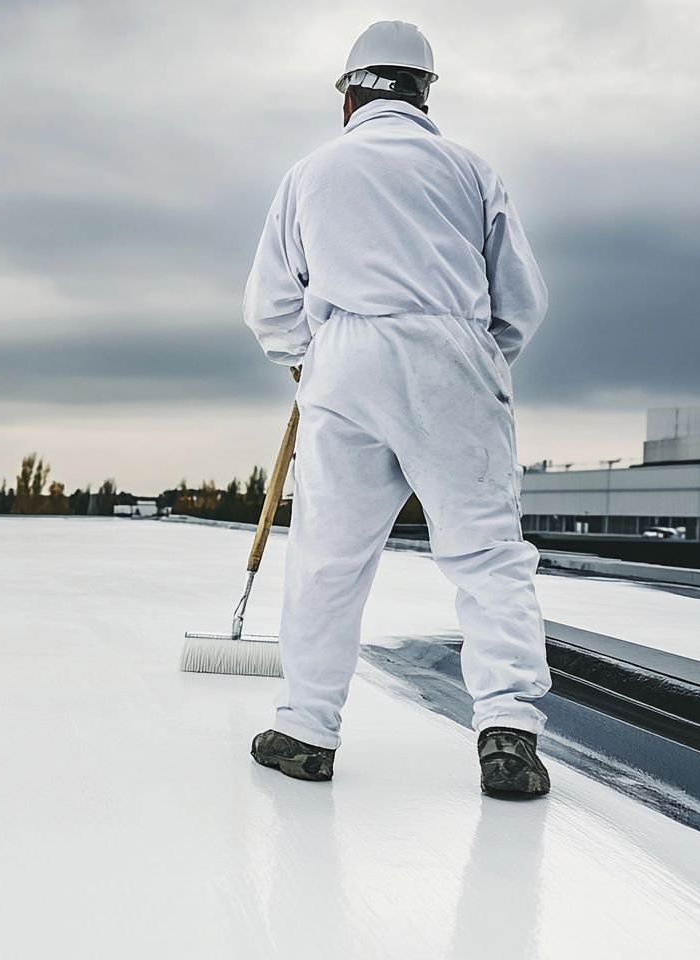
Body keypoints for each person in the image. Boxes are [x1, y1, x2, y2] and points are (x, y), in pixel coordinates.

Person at [242, 20, 552, 797]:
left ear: (349, 94)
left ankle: (306, 730)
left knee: (329, 558)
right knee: (485, 552)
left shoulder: (310, 175)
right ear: (424, 92)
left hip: (344, 358)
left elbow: (269, 306)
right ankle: (507, 733)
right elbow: (521, 304)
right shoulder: (471, 171)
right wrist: (475, 365)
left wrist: (309, 359)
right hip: (454, 354)